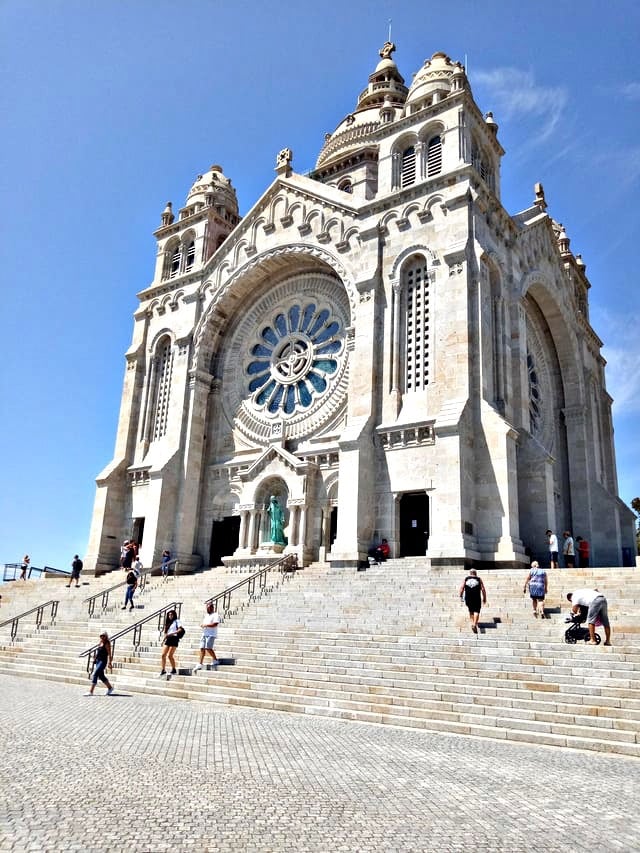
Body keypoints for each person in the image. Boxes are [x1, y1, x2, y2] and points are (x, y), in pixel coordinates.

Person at [85, 631, 115, 695]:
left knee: (95, 673)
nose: (102, 637)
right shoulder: (100, 642)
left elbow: (110, 654)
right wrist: (95, 658)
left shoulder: (107, 643)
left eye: (103, 636)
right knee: (101, 676)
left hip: (103, 661)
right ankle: (110, 688)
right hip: (98, 661)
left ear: (106, 636)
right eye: (101, 636)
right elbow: (98, 652)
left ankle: (91, 691)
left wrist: (110, 663)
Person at [193, 601, 220, 671]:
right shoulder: (207, 615)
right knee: (202, 648)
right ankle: (200, 663)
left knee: (208, 648)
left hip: (211, 634)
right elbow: (205, 624)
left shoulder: (215, 615)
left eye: (209, 608)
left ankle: (215, 660)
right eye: (207, 608)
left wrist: (206, 625)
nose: (207, 609)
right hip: (204, 634)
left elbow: (215, 624)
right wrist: (203, 625)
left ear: (212, 608)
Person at [459, 569, 487, 634]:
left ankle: (473, 623)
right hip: (476, 597)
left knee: (471, 610)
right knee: (476, 611)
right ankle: (474, 624)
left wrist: (460, 595)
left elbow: (462, 587)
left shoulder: (466, 579)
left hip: (468, 598)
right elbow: (483, 589)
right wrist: (484, 598)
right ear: (475, 573)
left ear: (470, 573)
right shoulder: (478, 579)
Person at [160, 608, 183, 676]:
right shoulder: (168, 623)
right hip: (168, 638)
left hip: (174, 638)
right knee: (163, 655)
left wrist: (172, 633)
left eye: (171, 615)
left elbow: (180, 629)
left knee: (170, 655)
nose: (170, 616)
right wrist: (163, 640)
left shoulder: (177, 621)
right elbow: (166, 632)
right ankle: (163, 670)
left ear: (174, 615)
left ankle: (173, 669)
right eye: (169, 615)